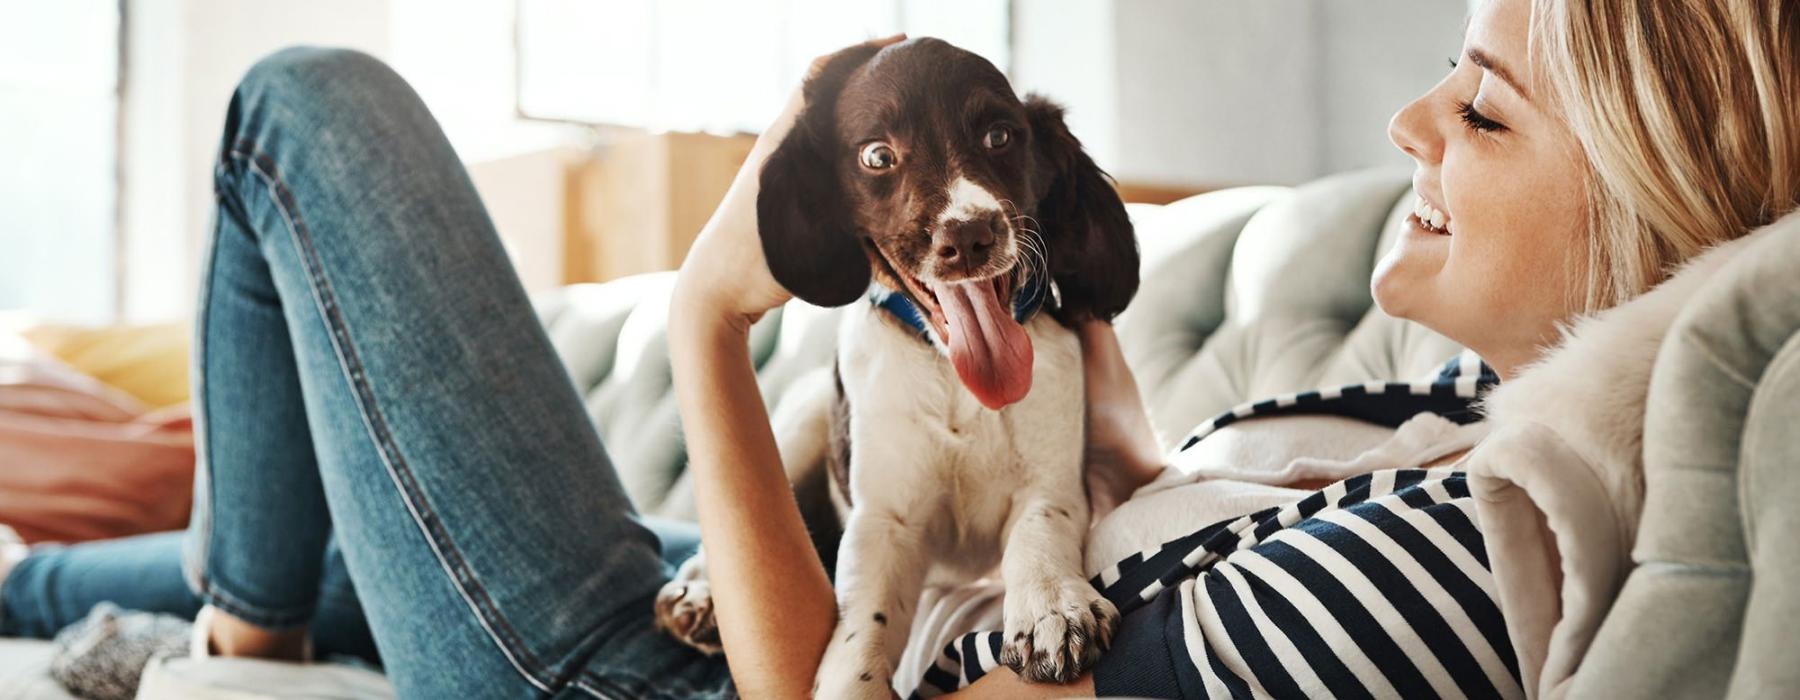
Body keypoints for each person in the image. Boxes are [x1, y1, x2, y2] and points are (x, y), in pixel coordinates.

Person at [2, 0, 1794, 697]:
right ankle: (77, 601)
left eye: (1482, 114)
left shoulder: (1457, 555)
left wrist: (711, 320)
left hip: (673, 684)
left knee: (301, 108)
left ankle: (225, 653)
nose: (1410, 121)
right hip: (773, 579)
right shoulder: (1427, 421)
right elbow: (1121, 517)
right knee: (100, 565)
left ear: (1647, 205)